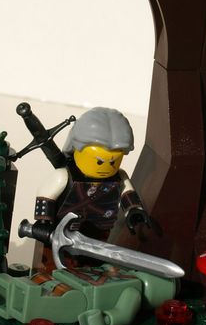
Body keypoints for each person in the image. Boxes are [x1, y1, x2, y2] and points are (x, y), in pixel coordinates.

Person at [25, 107, 158, 268]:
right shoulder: (63, 176)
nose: (106, 166)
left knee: (94, 266)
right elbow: (46, 196)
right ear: (77, 149)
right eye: (99, 161)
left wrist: (133, 210)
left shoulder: (119, 176)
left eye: (113, 161)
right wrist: (43, 222)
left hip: (99, 233)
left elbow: (127, 193)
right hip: (59, 232)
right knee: (51, 266)